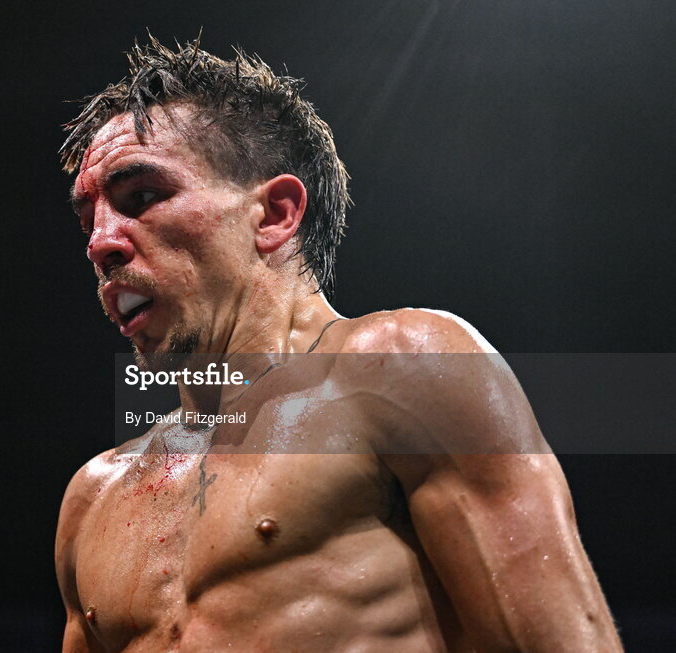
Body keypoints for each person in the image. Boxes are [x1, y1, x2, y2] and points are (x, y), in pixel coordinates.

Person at [54, 36, 621, 652]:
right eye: (90, 221)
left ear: (274, 215)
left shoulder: (404, 367)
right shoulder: (94, 497)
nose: (101, 244)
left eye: (142, 197)